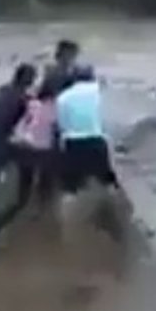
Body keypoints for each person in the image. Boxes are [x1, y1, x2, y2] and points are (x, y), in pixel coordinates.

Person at [0, 79, 59, 252]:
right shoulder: (49, 108)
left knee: (16, 194)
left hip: (11, 147)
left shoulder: (21, 100)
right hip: (29, 153)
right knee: (22, 198)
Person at [55, 64, 124, 239]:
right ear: (91, 76)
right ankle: (119, 222)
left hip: (72, 143)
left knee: (70, 187)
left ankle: (66, 227)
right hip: (95, 140)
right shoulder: (98, 91)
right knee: (108, 181)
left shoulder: (63, 97)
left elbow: (62, 126)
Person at [0, 63, 37, 192]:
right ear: (27, 80)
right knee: (30, 159)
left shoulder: (4, 91)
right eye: (32, 77)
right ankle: (23, 197)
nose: (34, 80)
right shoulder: (22, 99)